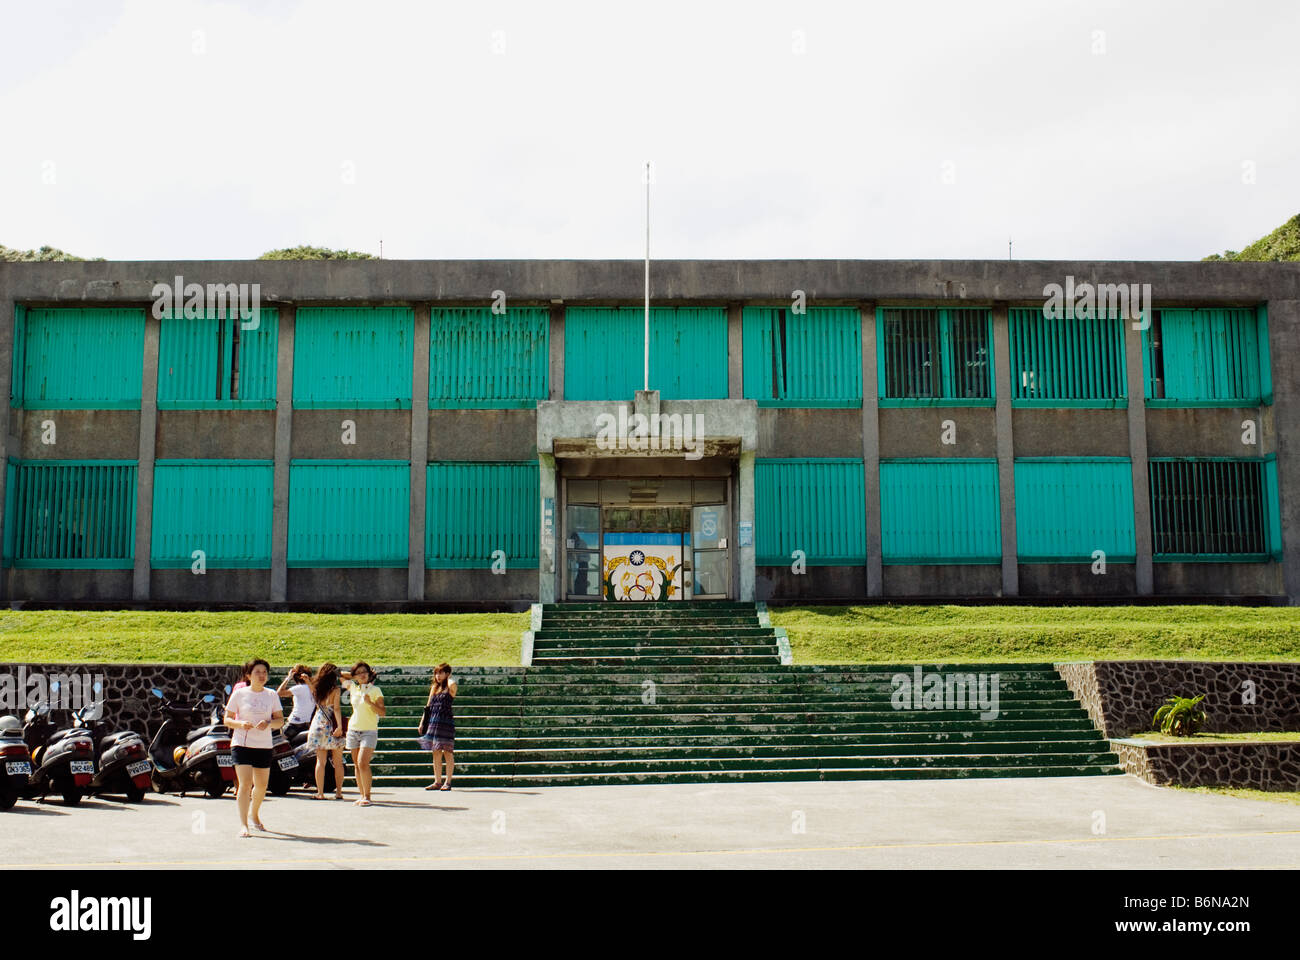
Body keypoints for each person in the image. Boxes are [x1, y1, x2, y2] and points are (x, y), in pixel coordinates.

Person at [223, 658, 284, 837]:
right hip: (242, 743)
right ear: (249, 675)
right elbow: (227, 719)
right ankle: (244, 825)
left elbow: (280, 720)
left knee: (262, 786)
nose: (261, 675)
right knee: (245, 784)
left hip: (264, 745)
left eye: (264, 672)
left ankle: (254, 814)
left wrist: (268, 723)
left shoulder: (272, 694)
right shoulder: (240, 694)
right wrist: (240, 724)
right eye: (257, 672)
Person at [340, 662, 384, 807]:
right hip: (353, 729)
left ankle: (368, 795)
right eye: (359, 673)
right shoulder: (353, 687)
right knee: (357, 765)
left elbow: (382, 712)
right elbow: (337, 673)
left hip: (369, 730)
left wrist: (370, 702)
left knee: (363, 763)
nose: (362, 674)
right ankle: (361, 795)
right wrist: (353, 675)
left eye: (364, 672)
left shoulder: (375, 690)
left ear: (369, 673)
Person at [304, 662, 346, 800]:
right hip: (332, 725)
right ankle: (338, 792)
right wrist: (339, 726)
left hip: (318, 724)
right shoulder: (336, 690)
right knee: (338, 762)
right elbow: (337, 709)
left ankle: (320, 793)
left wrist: (307, 680)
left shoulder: (317, 687)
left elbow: (313, 690)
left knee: (320, 762)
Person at [418, 663, 457, 791]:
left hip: (445, 722)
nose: (437, 676)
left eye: (440, 673)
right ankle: (437, 781)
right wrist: (423, 722)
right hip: (433, 722)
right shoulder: (434, 688)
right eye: (436, 673)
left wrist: (448, 677)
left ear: (447, 674)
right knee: (435, 752)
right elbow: (428, 707)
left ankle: (448, 781)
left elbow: (452, 683)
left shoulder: (451, 686)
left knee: (447, 752)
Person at [276, 664, 316, 741]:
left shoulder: (299, 688)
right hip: (306, 724)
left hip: (294, 723)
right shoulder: (313, 689)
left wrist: (288, 678)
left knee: (278, 742)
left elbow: (279, 693)